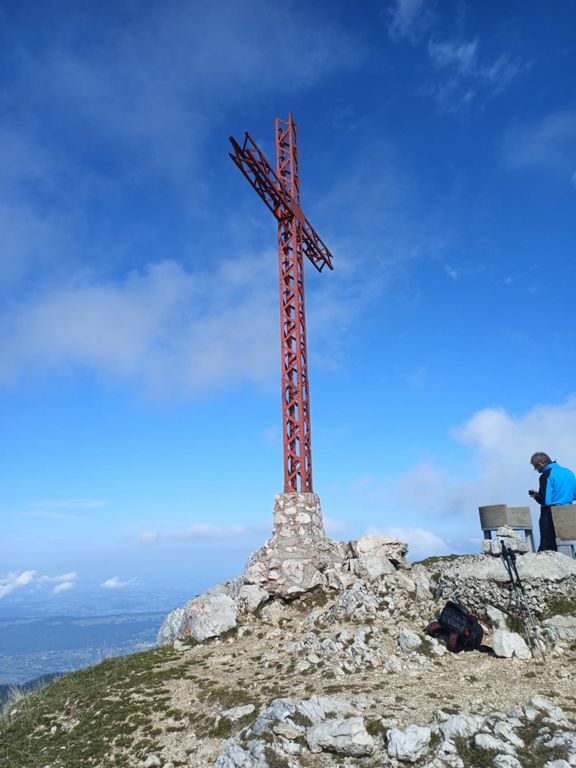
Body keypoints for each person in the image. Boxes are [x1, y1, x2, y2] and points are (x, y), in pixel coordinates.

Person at [528, 452, 576, 551]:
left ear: (540, 464)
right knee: (568, 544)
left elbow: (545, 500)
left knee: (547, 548)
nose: (536, 470)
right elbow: (574, 494)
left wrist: (535, 495)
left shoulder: (545, 475)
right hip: (569, 512)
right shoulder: (568, 472)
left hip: (551, 514)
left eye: (535, 467)